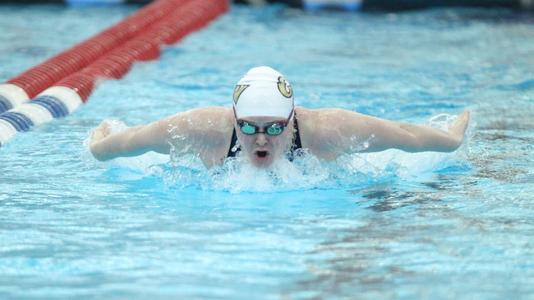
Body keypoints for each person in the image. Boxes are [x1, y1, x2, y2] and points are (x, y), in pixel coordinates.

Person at [89, 66, 470, 168]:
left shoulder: (328, 130)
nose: (260, 139)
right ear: (233, 118)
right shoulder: (203, 129)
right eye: (249, 127)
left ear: (292, 119)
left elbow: (406, 136)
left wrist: (451, 140)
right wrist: (101, 145)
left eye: (274, 128)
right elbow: (133, 141)